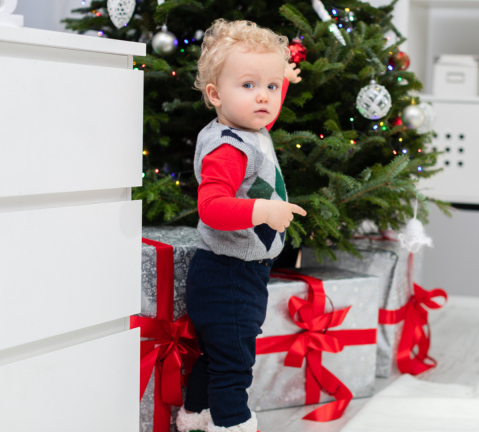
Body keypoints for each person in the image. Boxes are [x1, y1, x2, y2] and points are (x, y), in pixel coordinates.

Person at [175, 19, 306, 432]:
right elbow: (212, 207)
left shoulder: (250, 126)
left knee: (220, 352)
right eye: (248, 85)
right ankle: (232, 423)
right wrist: (262, 211)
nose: (263, 97)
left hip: (240, 270)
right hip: (227, 274)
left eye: (271, 87)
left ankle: (195, 414)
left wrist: (281, 78)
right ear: (215, 95)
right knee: (234, 361)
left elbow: (264, 103)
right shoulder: (228, 148)